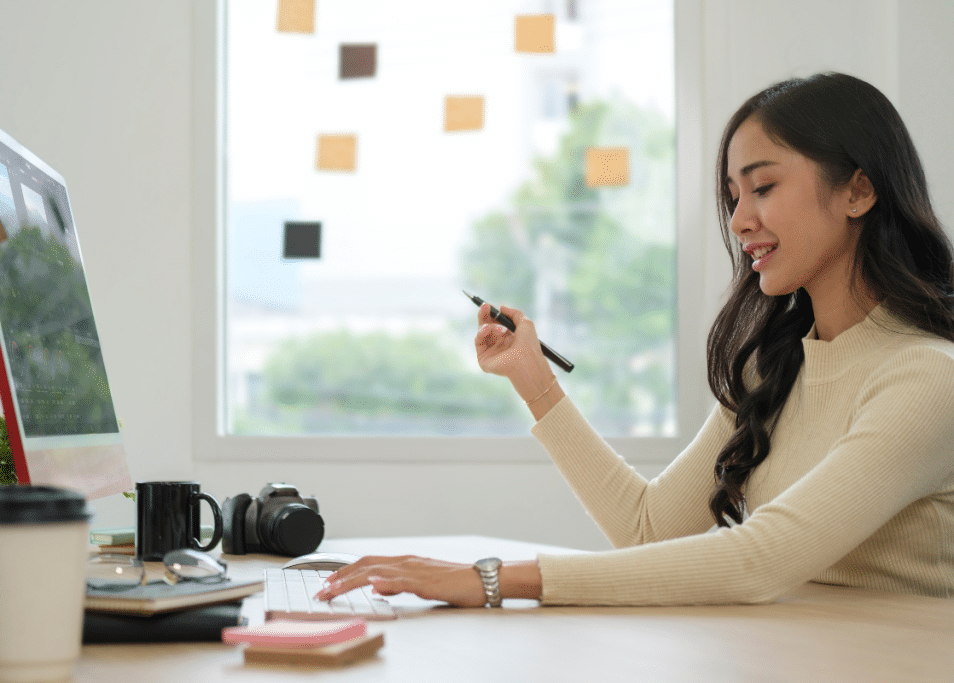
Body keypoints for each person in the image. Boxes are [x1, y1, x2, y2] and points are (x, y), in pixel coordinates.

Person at [316, 72, 954, 607]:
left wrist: (490, 580)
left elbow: (759, 561)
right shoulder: (774, 368)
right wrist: (535, 381)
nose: (737, 220)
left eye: (762, 187)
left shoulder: (927, 378)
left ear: (859, 190)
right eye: (732, 197)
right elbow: (649, 532)